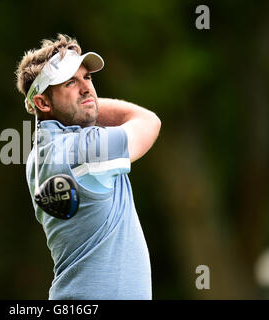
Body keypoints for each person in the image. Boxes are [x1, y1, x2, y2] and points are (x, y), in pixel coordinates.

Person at [15, 34, 161, 299]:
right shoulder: (86, 150)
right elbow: (148, 121)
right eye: (70, 82)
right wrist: (88, 104)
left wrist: (76, 103)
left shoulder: (37, 155)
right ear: (43, 103)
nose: (87, 88)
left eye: (88, 78)